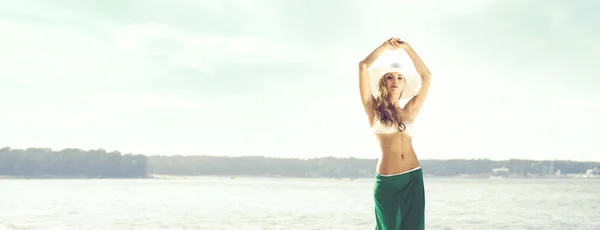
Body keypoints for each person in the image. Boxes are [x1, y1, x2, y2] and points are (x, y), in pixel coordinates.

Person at [358, 37, 431, 230]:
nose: (395, 81)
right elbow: (363, 66)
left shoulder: (410, 110)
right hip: (388, 181)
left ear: (404, 83)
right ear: (383, 81)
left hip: (413, 177)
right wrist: (384, 47)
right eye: (390, 76)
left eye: (399, 77)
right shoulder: (373, 109)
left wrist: (407, 48)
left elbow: (427, 76)